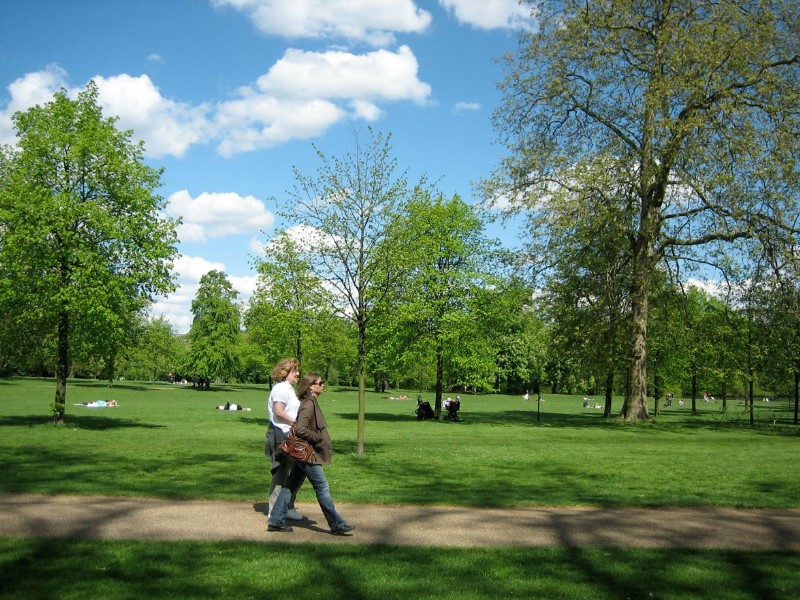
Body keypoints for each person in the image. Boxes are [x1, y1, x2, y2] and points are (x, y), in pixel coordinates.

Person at [268, 373, 355, 536]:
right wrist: (317, 438)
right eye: (320, 382)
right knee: (322, 487)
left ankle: (276, 520)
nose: (323, 385)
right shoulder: (308, 404)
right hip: (307, 454)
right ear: (311, 386)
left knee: (290, 486)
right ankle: (336, 524)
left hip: (304, 454)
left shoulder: (311, 402)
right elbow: (300, 428)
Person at [265, 358, 305, 521]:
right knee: (281, 473)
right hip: (280, 435)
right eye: (295, 371)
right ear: (285, 372)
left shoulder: (288, 389)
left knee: (298, 471)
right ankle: (274, 511)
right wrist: (296, 424)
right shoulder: (281, 389)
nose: (298, 374)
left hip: (290, 435)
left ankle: (287, 506)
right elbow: (279, 411)